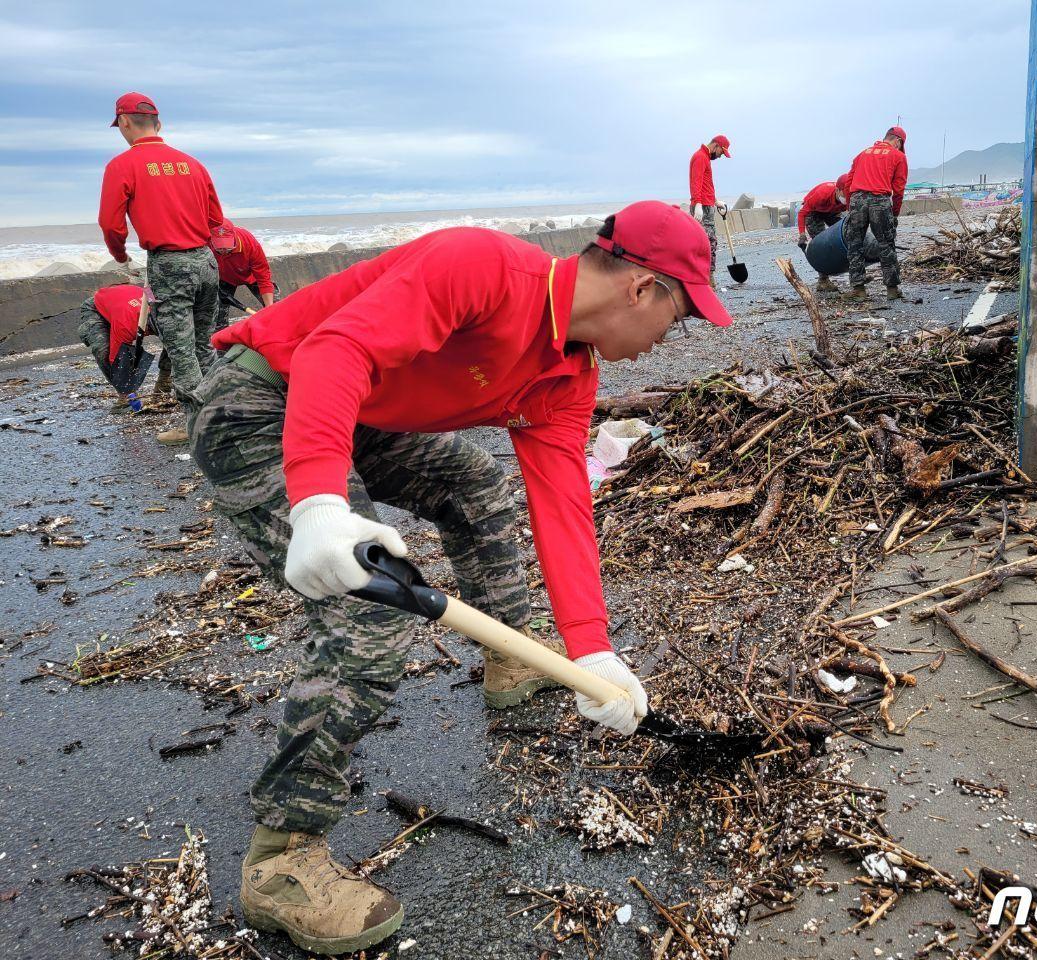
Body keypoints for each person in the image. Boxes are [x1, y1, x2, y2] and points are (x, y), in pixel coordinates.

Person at [188, 200, 732, 955]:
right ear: (642, 289)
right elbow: (332, 350)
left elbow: (564, 503)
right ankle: (281, 860)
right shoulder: (481, 268)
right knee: (370, 608)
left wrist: (590, 648)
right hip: (260, 398)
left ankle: (513, 657)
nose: (670, 338)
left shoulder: (567, 374)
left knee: (477, 486)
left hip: (364, 417)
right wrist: (318, 501)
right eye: (678, 318)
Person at [98, 92, 224, 445]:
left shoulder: (123, 165)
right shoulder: (193, 164)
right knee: (204, 346)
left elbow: (111, 224)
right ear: (159, 123)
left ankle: (197, 426)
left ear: (123, 122)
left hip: (169, 264)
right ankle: (221, 414)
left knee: (181, 349)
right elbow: (217, 220)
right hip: (206, 261)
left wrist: (121, 257)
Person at [843, 125, 908, 301]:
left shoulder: (862, 154)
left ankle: (859, 290)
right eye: (901, 145)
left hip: (858, 200)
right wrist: (894, 214)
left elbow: (848, 183)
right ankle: (892, 290)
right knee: (886, 244)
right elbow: (899, 189)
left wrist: (850, 206)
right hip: (880, 201)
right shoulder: (899, 156)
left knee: (855, 244)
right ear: (898, 141)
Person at [76, 283, 149, 403]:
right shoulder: (127, 324)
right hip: (96, 307)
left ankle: (163, 381)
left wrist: (164, 380)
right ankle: (124, 396)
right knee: (103, 350)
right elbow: (116, 359)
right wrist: (127, 389)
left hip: (120, 300)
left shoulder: (158, 304)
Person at [210, 220, 277, 331]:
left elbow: (263, 278)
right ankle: (222, 342)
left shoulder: (250, 244)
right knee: (217, 318)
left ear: (234, 237)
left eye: (226, 247)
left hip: (251, 276)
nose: (223, 251)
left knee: (276, 308)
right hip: (224, 277)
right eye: (219, 247)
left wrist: (270, 308)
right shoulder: (206, 242)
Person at [796, 172, 852, 292]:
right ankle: (823, 281)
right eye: (845, 194)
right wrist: (802, 235)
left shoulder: (850, 197)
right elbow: (802, 213)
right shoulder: (822, 194)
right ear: (838, 190)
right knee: (821, 245)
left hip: (832, 211)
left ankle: (856, 274)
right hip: (814, 211)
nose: (847, 198)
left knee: (849, 234)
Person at [688, 134, 731, 279]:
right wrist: (698, 203)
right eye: (721, 152)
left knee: (707, 242)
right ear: (716, 145)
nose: (720, 156)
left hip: (707, 204)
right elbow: (696, 182)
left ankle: (706, 277)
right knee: (707, 243)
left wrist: (716, 201)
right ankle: (707, 279)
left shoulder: (705, 157)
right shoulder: (700, 157)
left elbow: (706, 186)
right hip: (702, 207)